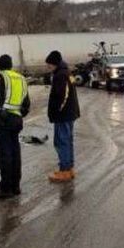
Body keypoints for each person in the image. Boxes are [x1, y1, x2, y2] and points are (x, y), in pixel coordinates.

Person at [0, 54, 30, 200]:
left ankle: (5, 189)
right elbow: (26, 105)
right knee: (15, 153)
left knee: (5, 155)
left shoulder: (1, 78)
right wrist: (17, 115)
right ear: (11, 65)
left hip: (4, 121)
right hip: (17, 120)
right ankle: (15, 186)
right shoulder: (21, 79)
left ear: (0, 65)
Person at [45, 50, 80, 182]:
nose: (48, 68)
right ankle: (69, 168)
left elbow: (62, 97)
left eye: (49, 65)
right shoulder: (66, 72)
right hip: (69, 113)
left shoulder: (61, 75)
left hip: (63, 115)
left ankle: (64, 170)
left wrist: (56, 112)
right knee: (68, 141)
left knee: (61, 142)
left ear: (55, 64)